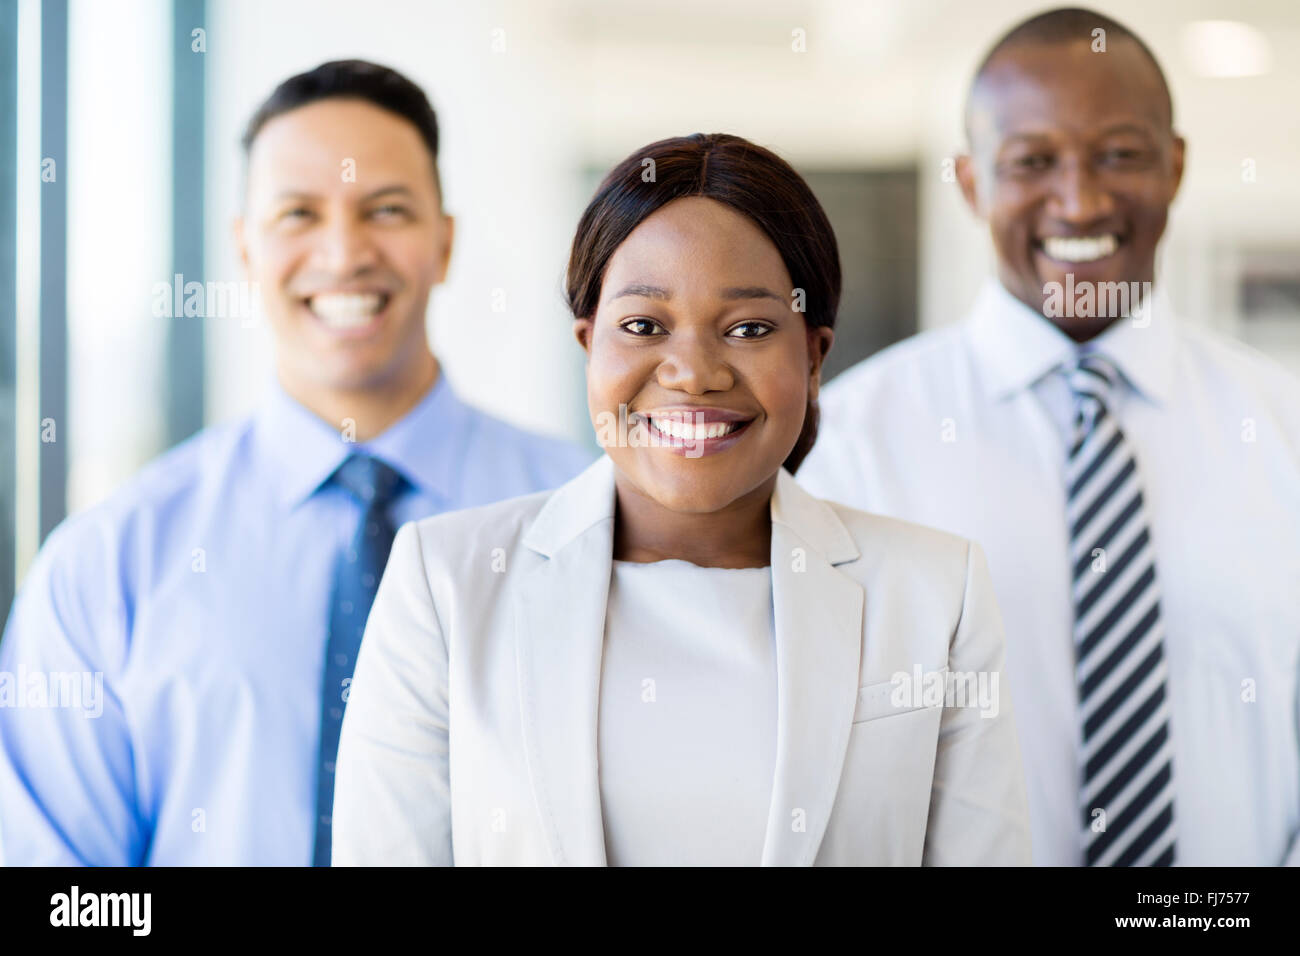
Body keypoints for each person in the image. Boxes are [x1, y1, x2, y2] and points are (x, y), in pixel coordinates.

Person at [331, 133, 1031, 866]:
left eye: (750, 328)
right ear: (588, 343)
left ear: (814, 355)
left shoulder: (935, 590)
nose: (693, 373)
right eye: (643, 326)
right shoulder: (445, 584)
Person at [0, 59, 593, 866]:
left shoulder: (590, 518)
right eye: (297, 214)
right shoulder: (108, 563)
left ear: (443, 244)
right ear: (245, 249)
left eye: (386, 209)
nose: (345, 252)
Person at [799, 8, 1300, 866]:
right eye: (1033, 161)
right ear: (970, 182)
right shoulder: (849, 445)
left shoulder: (1285, 426)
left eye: (1120, 154)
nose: (1081, 200)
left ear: (1174, 165)